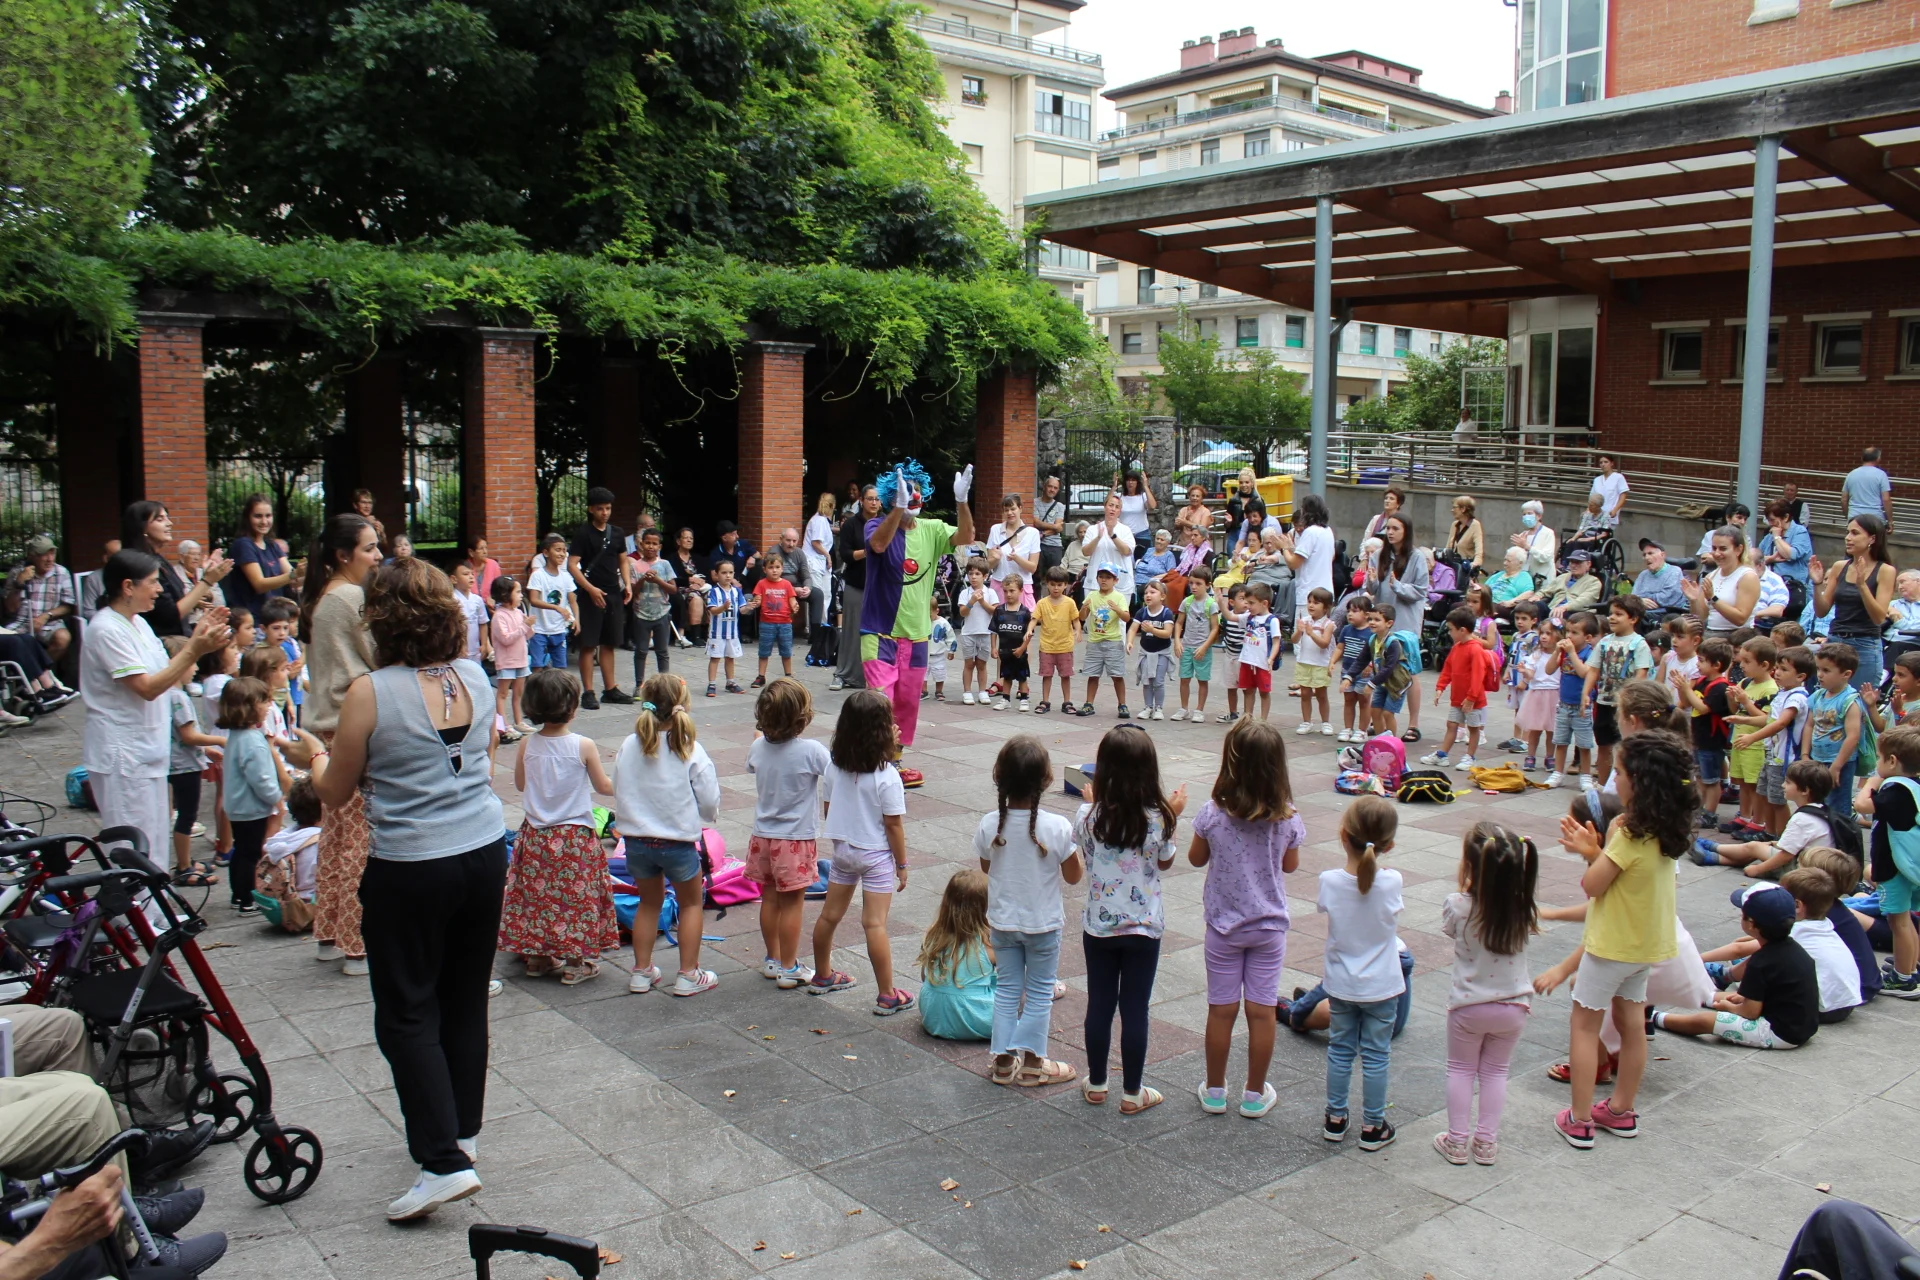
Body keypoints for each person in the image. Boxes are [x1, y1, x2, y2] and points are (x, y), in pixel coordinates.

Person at [281, 557, 506, 1221]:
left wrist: (310, 757)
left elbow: (334, 790)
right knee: (463, 999)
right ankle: (460, 1132)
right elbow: (481, 761)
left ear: (380, 621)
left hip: (411, 864)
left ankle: (441, 1162)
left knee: (406, 1010)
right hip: (482, 850)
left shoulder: (371, 691)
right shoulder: (475, 675)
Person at [1551, 729, 1696, 1148]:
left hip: (1611, 946)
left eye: (1618, 772)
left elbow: (1594, 885)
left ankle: (1579, 1119)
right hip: (1645, 945)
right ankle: (1621, 1110)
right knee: (1633, 1026)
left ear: (1639, 780)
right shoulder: (1669, 828)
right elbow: (1628, 880)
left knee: (1584, 1026)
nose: (1613, 780)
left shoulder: (1627, 830)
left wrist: (1589, 851)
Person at [82, 548, 232, 857]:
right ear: (128, 587)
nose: (160, 590)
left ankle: (157, 890)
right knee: (133, 847)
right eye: (152, 582)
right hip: (123, 756)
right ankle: (134, 892)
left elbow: (168, 674)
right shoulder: (106, 629)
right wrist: (194, 649)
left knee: (154, 840)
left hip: (148, 750)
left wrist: (197, 642)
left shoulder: (138, 623)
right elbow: (147, 688)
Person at [1183, 719, 1297, 1119]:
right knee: (1262, 1012)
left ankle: (1215, 1091)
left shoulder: (1213, 813)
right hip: (1269, 928)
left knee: (1221, 1010)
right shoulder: (1287, 816)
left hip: (1224, 928)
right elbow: (1290, 865)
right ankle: (1253, 1094)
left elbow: (1195, 858)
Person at [1068, 725, 1181, 1112]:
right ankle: (1133, 1092)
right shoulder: (1160, 818)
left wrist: (1091, 805)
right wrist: (1173, 815)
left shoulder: (1088, 816)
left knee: (1099, 1004)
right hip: (1144, 927)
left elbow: (1085, 850)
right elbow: (1164, 862)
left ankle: (1097, 1083)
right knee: (1135, 1008)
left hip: (1099, 925)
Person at [297, 513, 381, 976]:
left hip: (328, 726)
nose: (377, 556)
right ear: (343, 554)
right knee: (359, 838)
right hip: (349, 723)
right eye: (369, 548)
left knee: (337, 833)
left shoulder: (320, 595)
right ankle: (356, 943)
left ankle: (329, 933)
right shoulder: (349, 596)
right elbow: (378, 653)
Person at [498, 668, 617, 986]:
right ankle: (575, 964)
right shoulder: (583, 745)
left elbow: (521, 784)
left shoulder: (527, 744)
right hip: (573, 837)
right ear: (572, 706)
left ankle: (538, 957)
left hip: (536, 834)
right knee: (575, 898)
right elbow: (603, 786)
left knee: (537, 896)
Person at [860, 461, 976, 786]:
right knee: (879, 702)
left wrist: (962, 501)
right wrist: (897, 509)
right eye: (905, 492)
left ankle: (894, 763)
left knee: (907, 704)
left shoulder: (933, 529)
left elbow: (966, 536)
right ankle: (873, 762)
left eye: (917, 492)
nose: (914, 497)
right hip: (879, 632)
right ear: (891, 497)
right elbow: (879, 545)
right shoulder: (876, 525)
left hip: (918, 636)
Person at [975, 734, 1080, 1085]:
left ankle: (1004, 1062)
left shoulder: (990, 824)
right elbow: (1074, 876)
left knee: (1007, 989)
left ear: (999, 776)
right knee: (1039, 992)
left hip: (1003, 923)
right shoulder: (1058, 826)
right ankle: (1034, 1063)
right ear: (1046, 780)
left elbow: (987, 866)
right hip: (1043, 924)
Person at [1435, 823, 1537, 1166]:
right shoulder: (1523, 906)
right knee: (1496, 1073)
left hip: (1469, 1006)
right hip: (1514, 1006)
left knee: (1461, 1070)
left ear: (1470, 865)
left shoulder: (1457, 905)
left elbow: (1451, 931)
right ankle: (1486, 1144)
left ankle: (1456, 1142)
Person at [615, 672, 721, 996]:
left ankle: (641, 972)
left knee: (648, 903)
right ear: (682, 705)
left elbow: (619, 785)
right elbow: (709, 799)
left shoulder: (630, 744)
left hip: (636, 842)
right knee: (690, 904)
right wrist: (705, 818)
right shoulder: (690, 748)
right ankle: (688, 974)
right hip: (677, 843)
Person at [810, 690, 913, 1010]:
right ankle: (887, 994)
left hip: (843, 851)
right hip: (876, 856)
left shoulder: (834, 767)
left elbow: (829, 808)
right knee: (874, 924)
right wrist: (902, 864)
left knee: (829, 916)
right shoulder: (888, 776)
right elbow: (893, 825)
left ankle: (822, 975)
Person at [1319, 796, 1404, 1151]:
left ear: (1343, 834)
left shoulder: (1328, 881)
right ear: (1389, 845)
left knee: (1340, 1050)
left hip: (1341, 984)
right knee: (1376, 1055)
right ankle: (1373, 1125)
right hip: (1382, 985)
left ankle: (1335, 1119)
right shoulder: (1393, 881)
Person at [1650, 886, 1819, 1049]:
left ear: (1751, 924)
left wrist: (1729, 1008)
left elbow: (1750, 1012)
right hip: (1801, 1025)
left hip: (1779, 1033)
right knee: (1733, 997)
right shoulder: (1795, 950)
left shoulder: (1759, 962)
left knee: (1707, 1021)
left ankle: (1655, 1017)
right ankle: (1696, 996)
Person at [746, 678, 831, 988]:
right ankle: (789, 966)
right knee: (793, 904)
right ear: (801, 718)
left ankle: (772, 958)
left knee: (769, 899)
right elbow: (833, 771)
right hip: (795, 839)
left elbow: (754, 764)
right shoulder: (811, 751)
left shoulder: (757, 747)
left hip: (762, 836)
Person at [1860, 724, 1920, 995]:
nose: (1877, 763)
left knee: (1899, 921)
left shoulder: (1896, 790)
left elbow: (1861, 805)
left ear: (1892, 761)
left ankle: (1903, 978)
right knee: (1905, 919)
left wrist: (1871, 783)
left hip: (1893, 868)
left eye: (1879, 758)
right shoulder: (1915, 786)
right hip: (1908, 866)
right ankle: (1910, 968)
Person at [120, 502, 231, 638]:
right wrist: (207, 581)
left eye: (167, 517)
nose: (169, 523)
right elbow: (169, 615)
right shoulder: (141, 564)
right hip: (163, 639)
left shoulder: (159, 559)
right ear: (142, 526)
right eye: (160, 519)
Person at [1812, 515, 1896, 692]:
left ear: (1872, 538)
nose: (1848, 538)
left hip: (1864, 644)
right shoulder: (1839, 566)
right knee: (1829, 699)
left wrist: (1862, 585)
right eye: (1847, 532)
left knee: (1861, 701)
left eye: (1855, 533)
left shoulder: (1885, 571)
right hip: (1835, 640)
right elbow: (1821, 611)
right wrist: (1817, 584)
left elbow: (1878, 617)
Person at [568, 487, 634, 709]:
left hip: (613, 592)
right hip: (590, 595)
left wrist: (627, 583)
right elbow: (572, 565)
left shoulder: (617, 533)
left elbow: (623, 560)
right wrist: (590, 589)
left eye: (608, 508)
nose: (605, 513)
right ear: (591, 509)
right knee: (588, 644)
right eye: (600, 509)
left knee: (609, 643)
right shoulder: (583, 533)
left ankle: (610, 689)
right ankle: (588, 692)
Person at [1368, 514, 1430, 740]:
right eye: (1388, 528)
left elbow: (1420, 591)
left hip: (1405, 622)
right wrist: (1372, 581)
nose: (1391, 532)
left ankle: (1413, 724)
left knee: (1408, 671)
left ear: (1406, 531)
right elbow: (1372, 589)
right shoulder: (1378, 555)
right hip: (1383, 622)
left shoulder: (1416, 557)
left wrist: (1398, 586)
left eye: (1396, 528)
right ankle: (1380, 720)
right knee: (1382, 666)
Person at [916, 869, 995, 1041]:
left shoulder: (933, 934)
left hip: (934, 1017)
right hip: (978, 1018)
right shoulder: (988, 943)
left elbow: (924, 977)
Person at [1422, 608, 1497, 771]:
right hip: (1457, 698)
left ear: (1462, 630)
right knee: (1451, 724)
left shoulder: (1475, 649)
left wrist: (1471, 697)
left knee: (1474, 728)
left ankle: (1470, 757)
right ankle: (1442, 755)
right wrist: (1440, 687)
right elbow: (1448, 669)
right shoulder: (1457, 647)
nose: (1449, 633)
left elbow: (1478, 675)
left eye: (1451, 629)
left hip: (1473, 700)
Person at [831, 489, 878, 691]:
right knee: (852, 631)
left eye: (877, 499)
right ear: (861, 500)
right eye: (870, 499)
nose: (874, 502)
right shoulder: (851, 524)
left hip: (881, 587)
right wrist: (868, 551)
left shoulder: (885, 523)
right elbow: (845, 554)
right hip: (856, 584)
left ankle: (874, 675)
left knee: (879, 633)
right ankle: (843, 674)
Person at [3, 535, 77, 662]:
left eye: (52, 554)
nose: (50, 559)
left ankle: (39, 670)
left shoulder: (61, 572)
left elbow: (68, 605)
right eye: (44, 555)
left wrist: (46, 616)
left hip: (50, 623)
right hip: (22, 623)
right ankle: (26, 671)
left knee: (63, 638)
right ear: (32, 556)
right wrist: (19, 583)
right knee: (5, 642)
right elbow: (10, 608)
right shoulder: (17, 572)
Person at [1685, 524, 1760, 636]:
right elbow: (1700, 617)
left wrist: (1713, 598)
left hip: (1737, 637)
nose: (1716, 553)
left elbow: (1740, 619)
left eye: (1723, 549)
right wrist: (1693, 600)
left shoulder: (1747, 576)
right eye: (1714, 548)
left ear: (1738, 549)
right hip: (1711, 634)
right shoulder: (1711, 576)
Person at [1077, 565, 1130, 718]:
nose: (1104, 580)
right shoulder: (1092, 595)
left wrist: (1117, 609)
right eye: (1101, 577)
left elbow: (1127, 618)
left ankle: (1122, 704)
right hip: (1094, 641)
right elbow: (1082, 617)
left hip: (1113, 641)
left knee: (1117, 675)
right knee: (1092, 675)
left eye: (1108, 577)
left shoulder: (1119, 597)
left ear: (1115, 580)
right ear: (1097, 578)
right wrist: (1084, 608)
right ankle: (1089, 704)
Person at [627, 527, 677, 686]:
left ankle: (664, 685)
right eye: (647, 543)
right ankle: (639, 685)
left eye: (654, 544)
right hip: (641, 614)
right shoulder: (635, 566)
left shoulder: (664, 564)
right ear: (641, 544)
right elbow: (632, 590)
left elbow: (673, 589)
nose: (651, 546)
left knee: (662, 651)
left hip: (662, 612)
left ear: (659, 546)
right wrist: (643, 579)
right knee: (641, 651)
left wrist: (658, 581)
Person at [1173, 567, 1220, 724]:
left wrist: (1205, 647)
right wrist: (1177, 641)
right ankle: (1184, 708)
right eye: (1191, 583)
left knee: (1202, 679)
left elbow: (1215, 628)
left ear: (1207, 585)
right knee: (1184, 678)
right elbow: (1179, 623)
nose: (1193, 587)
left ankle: (1199, 710)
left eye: (1198, 583)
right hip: (1187, 646)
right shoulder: (1186, 602)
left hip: (1202, 648)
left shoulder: (1211, 604)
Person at [526, 533, 578, 671]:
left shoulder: (566, 577)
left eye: (564, 550)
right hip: (538, 630)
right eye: (558, 550)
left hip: (559, 629)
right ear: (546, 553)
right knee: (537, 667)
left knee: (560, 668)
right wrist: (557, 608)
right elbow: (533, 600)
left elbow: (573, 601)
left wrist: (577, 619)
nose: (562, 554)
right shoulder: (538, 575)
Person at [1032, 567, 1079, 715]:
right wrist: (1029, 630)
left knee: (1066, 675)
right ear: (1047, 584)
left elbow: (1076, 619)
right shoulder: (1042, 603)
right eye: (1052, 584)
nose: (1056, 588)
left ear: (1065, 585)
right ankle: (1045, 701)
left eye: (1059, 585)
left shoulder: (1070, 602)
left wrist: (1078, 631)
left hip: (1065, 646)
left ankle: (1067, 702)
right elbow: (1034, 618)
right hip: (1046, 646)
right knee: (1046, 675)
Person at [488, 576, 530, 735]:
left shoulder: (518, 613)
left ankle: (518, 722)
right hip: (507, 661)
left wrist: (529, 626)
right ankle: (504, 725)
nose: (521, 596)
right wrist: (524, 627)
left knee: (518, 693)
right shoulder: (499, 616)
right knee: (503, 693)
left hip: (521, 659)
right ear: (506, 595)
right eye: (517, 592)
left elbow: (527, 635)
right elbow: (506, 639)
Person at [750, 553, 799, 686]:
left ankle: (788, 675)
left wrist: (795, 606)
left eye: (777, 567)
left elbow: (792, 599)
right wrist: (756, 602)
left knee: (786, 651)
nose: (774, 570)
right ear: (765, 569)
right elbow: (758, 598)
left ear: (782, 569)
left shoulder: (787, 584)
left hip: (785, 623)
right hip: (766, 623)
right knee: (764, 651)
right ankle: (761, 676)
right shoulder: (761, 584)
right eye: (771, 567)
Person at [703, 559, 749, 696]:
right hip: (717, 633)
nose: (728, 576)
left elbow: (742, 610)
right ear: (716, 574)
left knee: (730, 657)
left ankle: (730, 682)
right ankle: (712, 684)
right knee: (715, 658)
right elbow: (712, 610)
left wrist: (750, 607)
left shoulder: (737, 591)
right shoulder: (713, 591)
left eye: (730, 572)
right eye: (724, 573)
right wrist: (723, 607)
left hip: (732, 632)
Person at [990, 570, 1035, 712]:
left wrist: (1022, 648)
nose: (1008, 594)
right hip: (1005, 651)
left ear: (1021, 591)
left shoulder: (1025, 612)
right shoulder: (999, 611)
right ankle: (1005, 699)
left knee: (1022, 677)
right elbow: (993, 631)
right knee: (1006, 676)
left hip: (1020, 652)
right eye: (1005, 591)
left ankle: (1024, 699)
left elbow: (1029, 634)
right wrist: (993, 647)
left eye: (1012, 591)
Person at [985, 494, 1040, 607]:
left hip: (1022, 587)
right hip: (1000, 585)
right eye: (1006, 510)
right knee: (998, 617)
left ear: (1020, 508)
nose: (1009, 513)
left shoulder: (1033, 533)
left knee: (1025, 618)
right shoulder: (995, 529)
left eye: (1013, 509)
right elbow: (988, 566)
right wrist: (996, 559)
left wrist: (1016, 558)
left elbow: (1033, 568)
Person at [1129, 580, 1173, 720]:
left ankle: (1158, 708)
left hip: (1162, 652)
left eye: (1152, 592)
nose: (1148, 595)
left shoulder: (1166, 613)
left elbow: (1167, 633)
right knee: (1146, 681)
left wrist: (1152, 630)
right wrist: (1129, 641)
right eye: (1146, 592)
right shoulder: (1142, 612)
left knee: (1158, 681)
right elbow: (1133, 629)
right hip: (1146, 652)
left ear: (1162, 596)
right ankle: (1148, 707)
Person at [1081, 494, 1136, 599]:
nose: (1113, 509)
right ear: (1105, 507)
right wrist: (1098, 537)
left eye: (1117, 507)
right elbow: (1085, 552)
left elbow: (1127, 551)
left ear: (1120, 511)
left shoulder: (1126, 530)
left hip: (1120, 583)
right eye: (1111, 505)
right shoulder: (1093, 529)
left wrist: (1112, 535)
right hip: (1095, 583)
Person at [803, 492, 837, 649]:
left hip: (820, 563)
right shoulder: (819, 521)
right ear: (832, 506)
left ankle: (822, 628)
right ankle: (815, 630)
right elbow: (816, 543)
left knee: (826, 595)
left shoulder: (821, 521)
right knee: (818, 597)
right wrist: (828, 555)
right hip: (814, 562)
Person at [668, 526, 709, 653]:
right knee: (695, 598)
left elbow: (705, 576)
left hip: (700, 588)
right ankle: (696, 636)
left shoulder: (698, 558)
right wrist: (689, 581)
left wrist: (699, 583)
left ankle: (711, 633)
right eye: (686, 538)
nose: (689, 540)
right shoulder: (671, 559)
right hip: (681, 589)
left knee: (714, 595)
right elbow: (672, 579)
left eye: (691, 538)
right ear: (678, 541)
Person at [1631, 540, 1687, 619]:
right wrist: (1640, 601)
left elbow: (1666, 599)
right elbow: (1632, 597)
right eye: (1644, 555)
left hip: (1667, 615)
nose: (1646, 557)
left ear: (1662, 555)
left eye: (1650, 553)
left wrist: (1639, 600)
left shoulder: (1674, 571)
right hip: (1643, 613)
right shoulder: (1643, 575)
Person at [1511, 499, 1557, 586]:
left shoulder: (1548, 533)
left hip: (1543, 579)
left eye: (1529, 513)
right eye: (1524, 514)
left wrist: (1527, 547)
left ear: (1539, 516)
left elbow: (1546, 557)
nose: (1526, 517)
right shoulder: (1523, 535)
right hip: (1526, 578)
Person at [1843, 445, 1892, 523]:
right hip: (1874, 517)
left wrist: (1848, 516)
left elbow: (1844, 499)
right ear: (1878, 458)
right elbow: (1886, 499)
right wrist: (1890, 521)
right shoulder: (1881, 475)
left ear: (1862, 458)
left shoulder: (1851, 474)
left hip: (1854, 516)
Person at [1033, 475, 1069, 579]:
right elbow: (1036, 523)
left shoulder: (1060, 506)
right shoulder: (1034, 503)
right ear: (1044, 487)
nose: (1052, 490)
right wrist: (1054, 526)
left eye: (1055, 488)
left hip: (1055, 546)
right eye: (1050, 486)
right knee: (1036, 577)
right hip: (1037, 545)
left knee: (1055, 577)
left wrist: (1043, 533)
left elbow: (1058, 529)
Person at [1113, 470, 1156, 553]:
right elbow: (1106, 504)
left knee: (1144, 558)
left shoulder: (1142, 496)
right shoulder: (1120, 497)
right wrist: (1114, 487)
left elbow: (1152, 506)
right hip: (1124, 534)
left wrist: (1145, 486)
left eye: (1133, 480)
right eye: (1128, 480)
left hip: (1142, 534)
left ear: (1137, 482)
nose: (1130, 483)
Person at [1484, 546, 1533, 615]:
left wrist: (1511, 602)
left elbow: (1529, 593)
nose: (1505, 563)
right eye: (1505, 560)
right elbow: (1484, 589)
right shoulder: (1497, 575)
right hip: (1488, 603)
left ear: (1520, 563)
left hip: (1504, 607)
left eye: (1508, 561)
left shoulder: (1524, 576)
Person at [1444, 496, 1484, 575]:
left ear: (1463, 509)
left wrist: (1476, 563)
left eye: (1454, 507)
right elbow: (1448, 548)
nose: (1452, 510)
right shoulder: (1454, 525)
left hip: (1466, 568)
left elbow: (1479, 550)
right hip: (1452, 567)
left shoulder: (1475, 525)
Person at [1590, 453, 1630, 528]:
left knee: (1605, 533)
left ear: (1612, 463)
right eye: (1601, 462)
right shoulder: (1597, 480)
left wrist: (1615, 510)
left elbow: (1623, 495)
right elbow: (1592, 498)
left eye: (1606, 462)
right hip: (1596, 515)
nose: (1603, 464)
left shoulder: (1618, 477)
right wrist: (1588, 510)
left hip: (1609, 515)